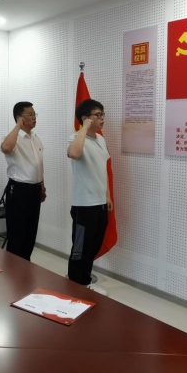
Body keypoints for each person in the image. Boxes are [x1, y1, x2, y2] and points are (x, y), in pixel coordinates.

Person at [67, 99, 112, 295]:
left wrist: (107, 196)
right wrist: (84, 129)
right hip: (84, 205)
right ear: (86, 118)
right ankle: (76, 285)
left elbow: (103, 170)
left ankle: (84, 280)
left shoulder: (101, 140)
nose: (102, 118)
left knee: (93, 246)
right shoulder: (76, 138)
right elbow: (73, 153)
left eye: (102, 114)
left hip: (100, 203)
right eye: (97, 115)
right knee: (80, 249)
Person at [1, 102, 46, 261]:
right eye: (30, 114)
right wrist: (17, 127)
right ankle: (13, 269)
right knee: (17, 234)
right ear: (20, 118)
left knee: (30, 233)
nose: (34, 117)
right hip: (19, 191)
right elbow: (6, 148)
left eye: (35, 114)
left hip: (35, 190)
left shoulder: (35, 138)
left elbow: (38, 165)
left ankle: (25, 265)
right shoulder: (13, 138)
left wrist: (42, 186)